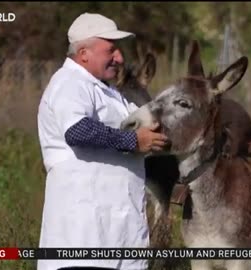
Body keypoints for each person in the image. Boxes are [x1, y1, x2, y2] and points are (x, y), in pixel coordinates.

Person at [36, 13, 168, 270]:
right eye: (111, 49)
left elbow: (146, 125)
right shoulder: (69, 83)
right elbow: (77, 131)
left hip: (120, 237)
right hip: (82, 240)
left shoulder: (109, 93)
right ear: (83, 53)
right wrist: (132, 141)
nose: (119, 58)